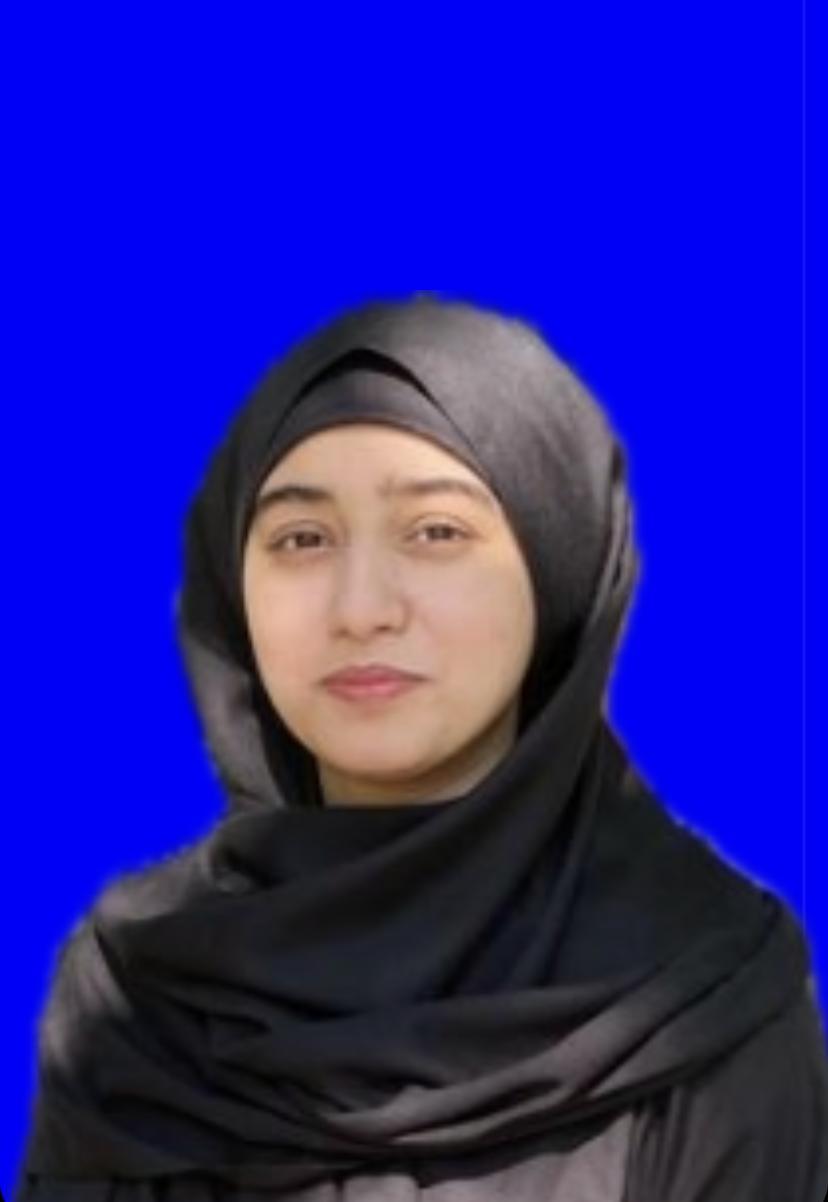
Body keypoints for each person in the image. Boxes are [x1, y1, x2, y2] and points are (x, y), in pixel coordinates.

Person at [17, 296, 828, 1200]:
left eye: (437, 532)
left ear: (558, 565)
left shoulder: (707, 994)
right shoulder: (134, 992)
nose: (363, 608)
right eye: (302, 539)